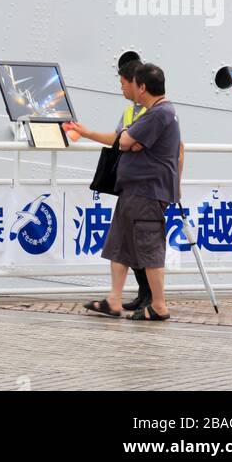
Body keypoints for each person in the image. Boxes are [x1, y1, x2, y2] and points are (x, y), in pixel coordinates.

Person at [84, 62, 182, 323]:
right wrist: (131, 141)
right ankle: (113, 300)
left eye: (132, 84)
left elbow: (124, 141)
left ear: (142, 87)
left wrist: (130, 137)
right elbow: (129, 144)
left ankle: (159, 305)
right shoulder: (159, 113)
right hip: (133, 192)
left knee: (149, 248)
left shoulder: (158, 113)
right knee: (120, 245)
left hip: (146, 192)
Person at [67, 53, 152, 313]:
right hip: (129, 186)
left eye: (123, 82)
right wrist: (87, 132)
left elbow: (131, 143)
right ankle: (132, 297)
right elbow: (117, 139)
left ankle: (150, 299)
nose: (121, 87)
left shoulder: (153, 112)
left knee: (140, 244)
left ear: (136, 83)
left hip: (144, 187)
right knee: (125, 243)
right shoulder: (131, 111)